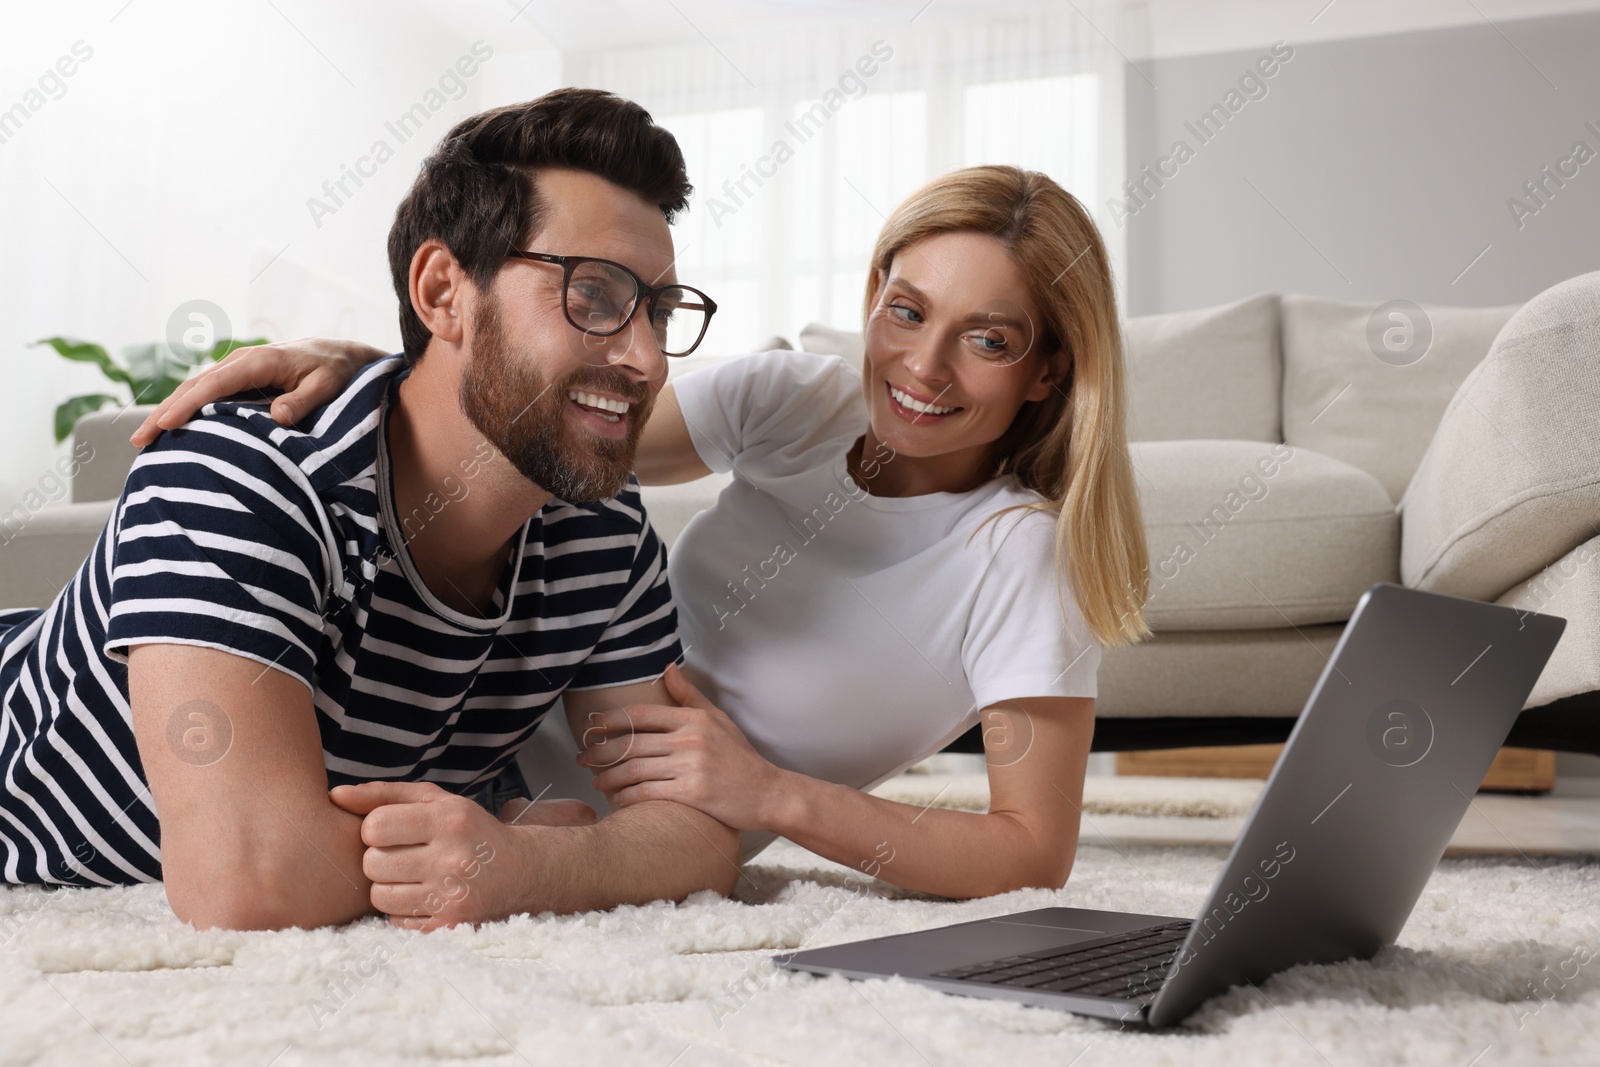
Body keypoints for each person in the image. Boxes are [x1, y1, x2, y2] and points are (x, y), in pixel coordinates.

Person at [140, 164, 1153, 900]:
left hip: (639, 838)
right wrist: (393, 366)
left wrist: (773, 794)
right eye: (905, 311)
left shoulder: (1018, 556)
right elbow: (553, 426)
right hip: (462, 722)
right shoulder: (795, 402)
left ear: (1049, 370)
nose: (923, 366)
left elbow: (1029, 852)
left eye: (988, 339)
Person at [0, 88, 742, 931]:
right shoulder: (243, 474)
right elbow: (249, 880)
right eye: (594, 295)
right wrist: (511, 836)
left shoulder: (602, 527)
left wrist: (527, 862)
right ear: (442, 291)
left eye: (661, 310)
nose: (646, 357)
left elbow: (701, 834)